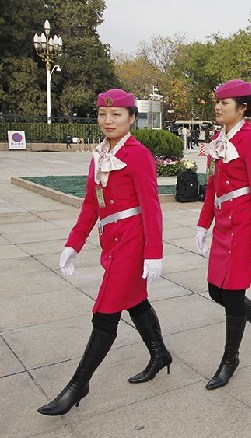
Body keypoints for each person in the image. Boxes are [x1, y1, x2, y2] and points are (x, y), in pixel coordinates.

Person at [38, 89, 169, 416]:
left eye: (117, 115)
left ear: (131, 119)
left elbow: (152, 207)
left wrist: (154, 252)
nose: (108, 121)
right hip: (112, 241)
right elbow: (90, 205)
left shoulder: (137, 155)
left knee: (105, 312)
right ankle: (160, 354)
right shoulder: (99, 154)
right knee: (135, 300)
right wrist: (73, 243)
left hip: (133, 241)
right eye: (102, 114)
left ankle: (77, 386)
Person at [195, 79, 251, 390]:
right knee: (216, 290)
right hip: (223, 228)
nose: (218, 107)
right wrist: (204, 224)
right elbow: (212, 187)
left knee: (231, 295)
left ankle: (230, 359)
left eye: (225, 103)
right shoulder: (218, 141)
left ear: (242, 107)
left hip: (244, 227)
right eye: (217, 102)